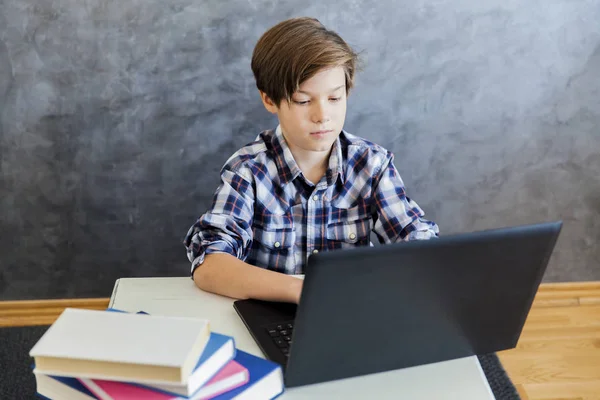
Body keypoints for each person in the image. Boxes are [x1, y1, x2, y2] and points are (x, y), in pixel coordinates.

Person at [184, 17, 439, 304]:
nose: (322, 116)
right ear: (269, 100)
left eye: (334, 98)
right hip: (271, 315)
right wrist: (303, 292)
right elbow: (210, 266)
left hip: (349, 311)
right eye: (304, 101)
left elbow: (418, 242)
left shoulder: (371, 164)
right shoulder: (248, 170)